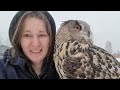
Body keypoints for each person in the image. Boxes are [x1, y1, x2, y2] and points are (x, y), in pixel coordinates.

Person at [0, 11, 60, 79]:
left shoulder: (67, 69)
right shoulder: (3, 70)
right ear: (18, 39)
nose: (36, 44)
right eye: (27, 35)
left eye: (42, 35)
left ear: (51, 39)